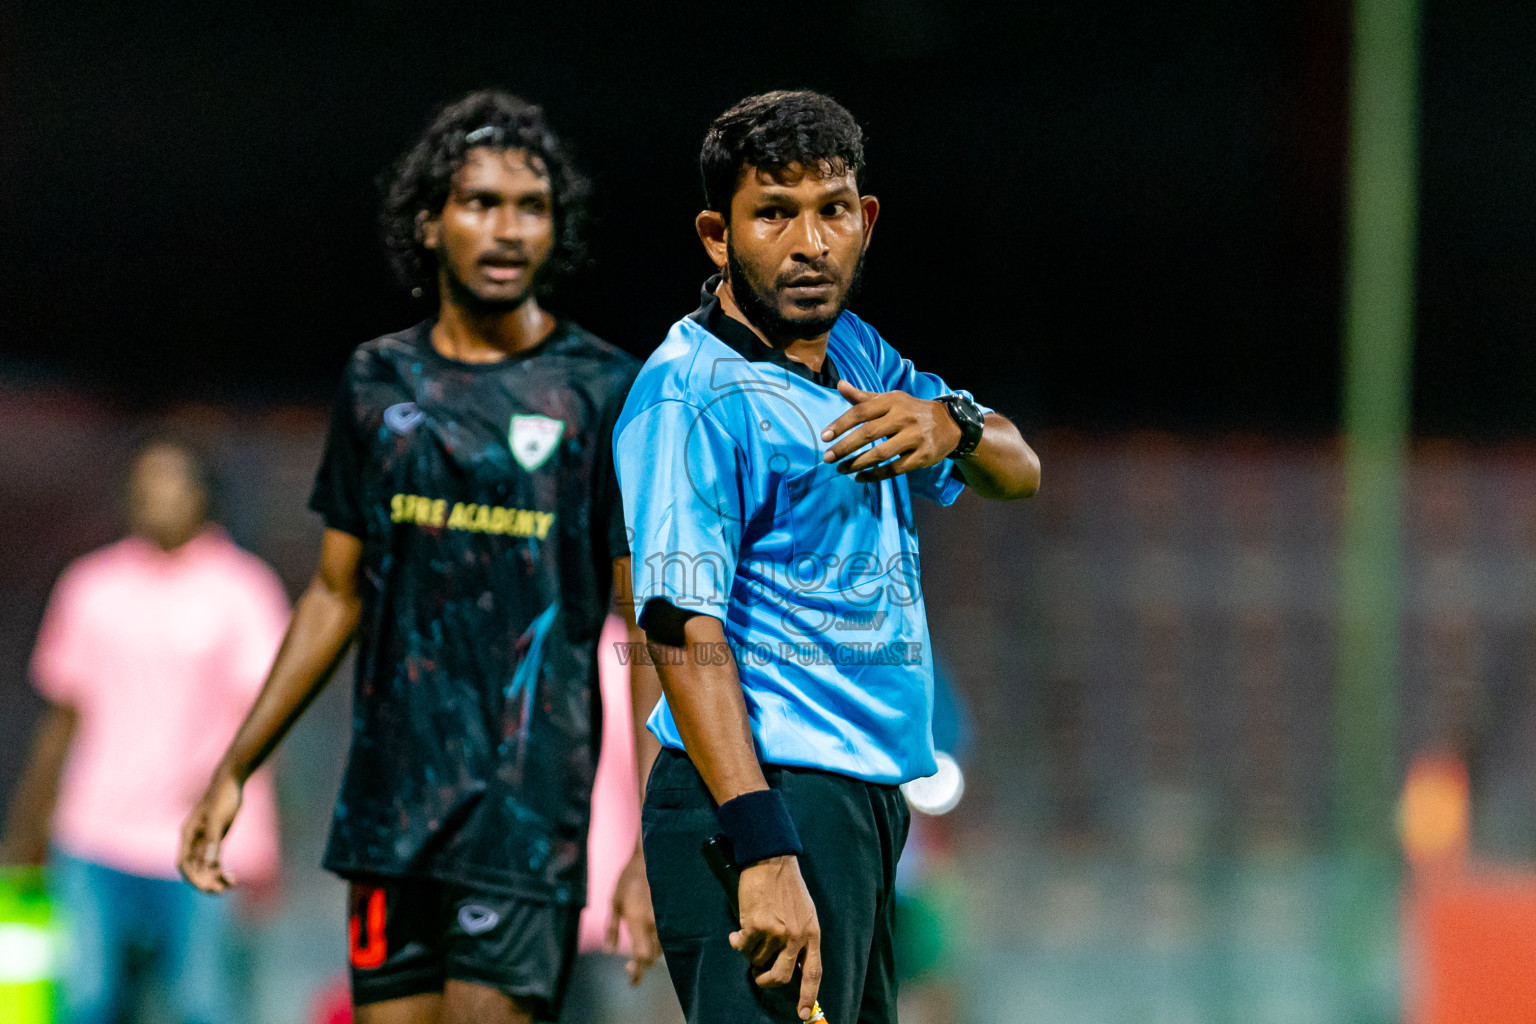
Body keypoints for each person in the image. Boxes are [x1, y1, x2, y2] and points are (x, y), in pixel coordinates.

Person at [177, 90, 661, 1024]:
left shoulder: (601, 391)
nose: (508, 227)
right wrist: (235, 767)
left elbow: (641, 623)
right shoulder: (377, 381)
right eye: (481, 202)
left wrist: (645, 838)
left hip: (526, 819)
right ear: (430, 221)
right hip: (389, 811)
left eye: (532, 206)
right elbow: (333, 594)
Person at [613, 90, 1041, 1024]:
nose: (809, 243)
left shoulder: (853, 354)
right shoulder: (689, 398)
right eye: (773, 213)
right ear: (717, 237)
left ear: (865, 220)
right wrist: (765, 848)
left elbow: (1021, 469)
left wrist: (951, 424)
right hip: (765, 802)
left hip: (861, 806)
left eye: (831, 211)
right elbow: (683, 632)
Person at [1, 437, 288, 1024]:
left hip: (200, 841)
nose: (154, 497)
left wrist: (262, 840)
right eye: (143, 484)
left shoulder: (243, 590)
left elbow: (270, 721)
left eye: (169, 482)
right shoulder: (92, 585)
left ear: (203, 495)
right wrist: (26, 829)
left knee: (201, 1005)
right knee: (87, 1002)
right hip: (93, 831)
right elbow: (63, 717)